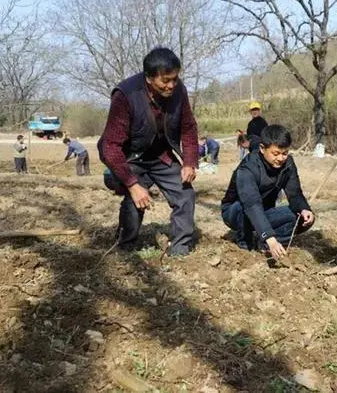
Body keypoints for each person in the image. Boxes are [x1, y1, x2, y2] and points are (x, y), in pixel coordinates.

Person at [97, 47, 198, 257]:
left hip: (161, 156)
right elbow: (110, 146)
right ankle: (124, 247)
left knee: (185, 193)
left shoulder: (179, 91)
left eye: (175, 79)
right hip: (131, 157)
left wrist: (189, 161)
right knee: (135, 199)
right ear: (149, 78)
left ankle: (180, 249)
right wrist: (132, 184)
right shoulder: (125, 95)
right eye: (165, 81)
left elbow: (188, 127)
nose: (171, 85)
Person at [221, 124, 315, 260]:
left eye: (285, 153)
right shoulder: (248, 168)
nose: (281, 158)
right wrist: (269, 236)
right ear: (262, 148)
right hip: (235, 212)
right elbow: (251, 204)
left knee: (303, 216)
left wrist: (304, 208)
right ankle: (244, 244)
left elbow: (294, 193)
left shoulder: (288, 164)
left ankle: (266, 242)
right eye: (276, 154)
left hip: (265, 212)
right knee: (244, 207)